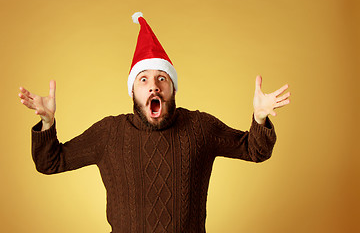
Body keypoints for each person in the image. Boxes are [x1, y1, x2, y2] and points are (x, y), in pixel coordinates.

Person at [18, 12, 290, 233]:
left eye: (162, 78)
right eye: (143, 79)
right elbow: (50, 162)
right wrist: (46, 121)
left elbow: (254, 150)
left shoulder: (200, 127)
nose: (153, 87)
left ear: (173, 88)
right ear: (133, 91)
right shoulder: (109, 133)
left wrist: (259, 117)